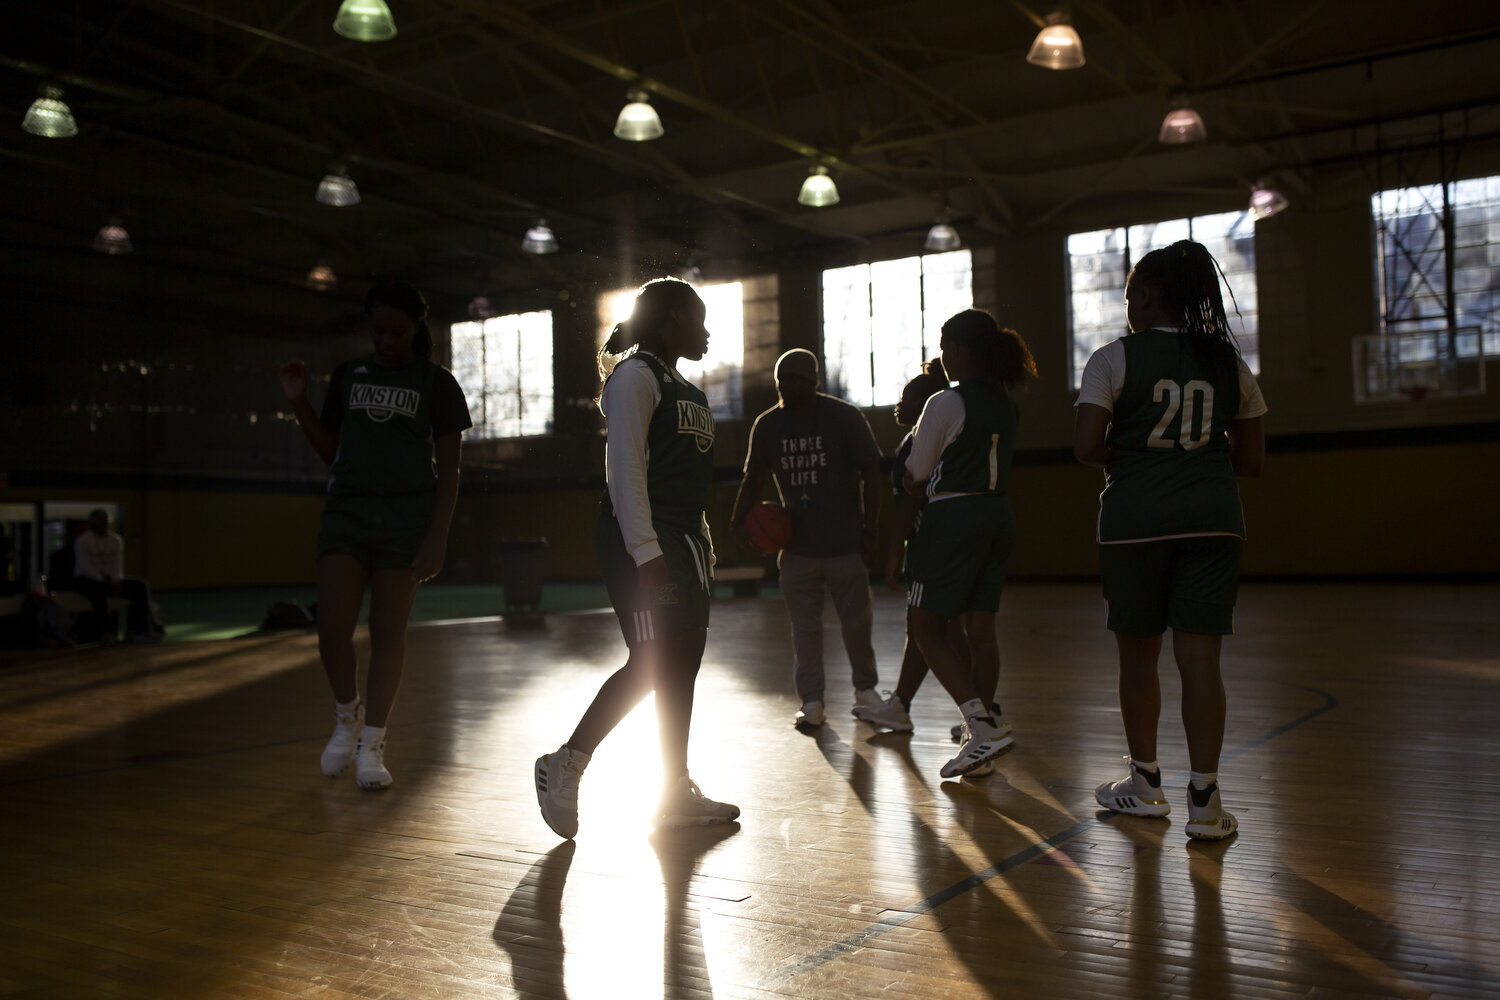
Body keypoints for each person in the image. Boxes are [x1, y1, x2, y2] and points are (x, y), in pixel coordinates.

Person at [1073, 238, 1266, 841]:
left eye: (1130, 294)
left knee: (1139, 656)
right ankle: (1206, 802)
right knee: (1201, 660)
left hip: (1135, 523)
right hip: (1213, 519)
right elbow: (1252, 461)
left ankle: (1146, 785)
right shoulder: (1230, 365)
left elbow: (1085, 447)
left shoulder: (1112, 359)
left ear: (1147, 295)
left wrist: (1138, 459)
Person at [534, 278, 739, 838]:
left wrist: (702, 549)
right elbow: (624, 473)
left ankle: (674, 790)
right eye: (699, 320)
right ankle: (565, 764)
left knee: (683, 665)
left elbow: (689, 484)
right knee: (653, 660)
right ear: (673, 317)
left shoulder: (687, 390)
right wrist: (646, 553)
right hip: (640, 541)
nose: (707, 332)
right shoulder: (635, 377)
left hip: (685, 545)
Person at [275, 281, 471, 791]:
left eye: (397, 332)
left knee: (388, 634)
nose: (386, 340)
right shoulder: (348, 376)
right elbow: (330, 451)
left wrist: (437, 537)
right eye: (378, 330)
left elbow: (449, 472)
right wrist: (299, 403)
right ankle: (348, 715)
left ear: (415, 330)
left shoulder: (437, 383)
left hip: (405, 524)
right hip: (348, 516)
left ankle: (374, 744)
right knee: (331, 632)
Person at [897, 310, 1036, 779]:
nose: (941, 356)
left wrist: (913, 489)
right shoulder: (1006, 402)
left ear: (957, 349)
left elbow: (916, 473)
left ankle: (980, 725)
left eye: (943, 346)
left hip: (952, 517)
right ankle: (982, 740)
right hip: (998, 515)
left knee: (925, 628)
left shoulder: (945, 401)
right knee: (981, 632)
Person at [855, 359, 1003, 767]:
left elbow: (911, 497)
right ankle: (969, 712)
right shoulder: (981, 416)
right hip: (986, 526)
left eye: (906, 399)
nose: (898, 407)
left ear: (926, 403)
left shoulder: (917, 440)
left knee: (927, 629)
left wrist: (895, 549)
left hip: (935, 541)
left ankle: (977, 719)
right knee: (959, 630)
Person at [730, 348, 883, 729]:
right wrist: (738, 523)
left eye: (793, 378)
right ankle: (811, 701)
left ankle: (865, 691)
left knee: (857, 625)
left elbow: (872, 472)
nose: (785, 386)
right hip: (797, 549)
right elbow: (754, 479)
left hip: (845, 544)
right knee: (804, 630)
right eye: (780, 379)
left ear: (813, 380)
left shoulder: (844, 417)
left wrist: (871, 530)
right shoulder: (768, 425)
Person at [72, 509, 165, 642]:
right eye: (99, 520)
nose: (102, 523)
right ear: (92, 522)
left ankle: (138, 630)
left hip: (110, 579)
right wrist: (102, 579)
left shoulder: (115, 540)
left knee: (140, 586)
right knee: (97, 592)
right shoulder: (83, 540)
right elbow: (85, 566)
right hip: (86, 579)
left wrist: (116, 580)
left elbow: (117, 564)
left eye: (105, 520)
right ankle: (105, 631)